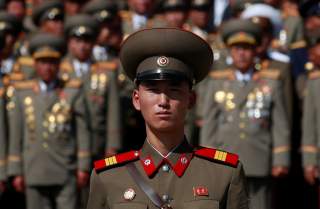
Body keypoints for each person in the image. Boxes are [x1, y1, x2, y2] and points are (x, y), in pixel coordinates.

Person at [86, 28, 249, 209]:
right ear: (137, 100)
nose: (163, 101)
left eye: (174, 90)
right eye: (153, 90)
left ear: (191, 100)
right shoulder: (109, 177)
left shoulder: (224, 174)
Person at [200, 19, 290, 209]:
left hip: (258, 156)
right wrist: (206, 157)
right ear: (230, 52)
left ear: (255, 51)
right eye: (236, 48)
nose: (241, 53)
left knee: (259, 204)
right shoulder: (216, 82)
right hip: (225, 156)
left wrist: (281, 158)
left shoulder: (270, 82)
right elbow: (209, 124)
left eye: (247, 48)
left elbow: (280, 125)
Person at [7, 33, 91, 209]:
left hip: (65, 168)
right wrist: (16, 170)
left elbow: (83, 131)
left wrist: (83, 166)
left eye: (52, 62)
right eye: (43, 62)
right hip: (34, 168)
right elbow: (16, 134)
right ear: (35, 64)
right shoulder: (23, 94)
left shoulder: (72, 92)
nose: (47, 67)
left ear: (59, 65)